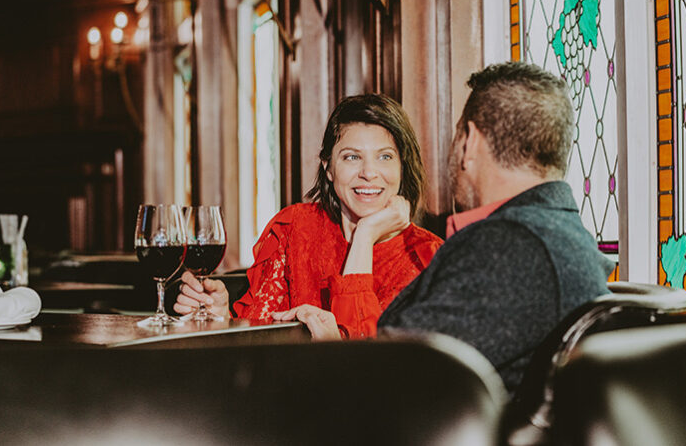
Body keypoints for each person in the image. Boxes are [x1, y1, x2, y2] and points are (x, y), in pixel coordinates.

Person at [377, 61, 614, 392]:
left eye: (457, 134)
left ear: (470, 142)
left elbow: (389, 373)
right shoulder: (563, 233)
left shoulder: (512, 246)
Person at [174, 94, 444, 338]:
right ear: (328, 168)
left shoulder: (427, 257)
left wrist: (365, 235)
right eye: (352, 157)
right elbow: (258, 340)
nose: (369, 173)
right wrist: (223, 319)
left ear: (402, 166)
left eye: (385, 157)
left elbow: (365, 361)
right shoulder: (295, 228)